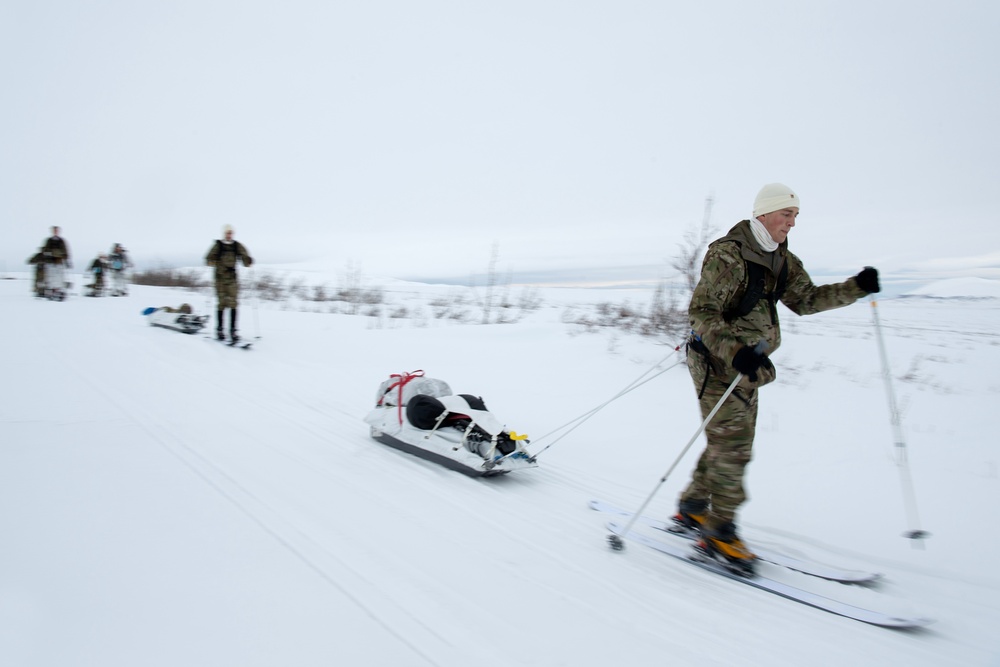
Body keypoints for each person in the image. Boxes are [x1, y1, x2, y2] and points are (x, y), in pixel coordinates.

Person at [675, 183, 881, 574]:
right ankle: (719, 532)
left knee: (726, 441)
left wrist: (856, 288)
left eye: (796, 216)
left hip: (748, 368)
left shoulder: (782, 260)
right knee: (734, 445)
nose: (791, 222)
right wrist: (736, 353)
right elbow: (702, 313)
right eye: (787, 214)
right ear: (764, 214)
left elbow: (806, 301)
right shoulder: (729, 254)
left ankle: (692, 507)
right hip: (718, 363)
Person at [205, 225, 253, 342]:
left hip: (232, 279)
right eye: (227, 233)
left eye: (231, 233)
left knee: (233, 303)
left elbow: (244, 256)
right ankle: (220, 330)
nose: (229, 235)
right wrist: (212, 261)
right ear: (224, 233)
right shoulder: (218, 245)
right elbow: (209, 258)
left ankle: (233, 331)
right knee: (222, 303)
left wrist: (248, 261)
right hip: (220, 278)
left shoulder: (236, 245)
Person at [40, 226, 71, 300]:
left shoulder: (62, 241)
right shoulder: (49, 240)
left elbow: (65, 250)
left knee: (59, 277)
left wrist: (66, 260)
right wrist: (47, 255)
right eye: (54, 231)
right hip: (50, 262)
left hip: (59, 262)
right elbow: (45, 250)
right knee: (50, 277)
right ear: (52, 231)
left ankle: (58, 290)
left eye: (57, 231)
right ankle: (50, 291)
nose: (56, 232)